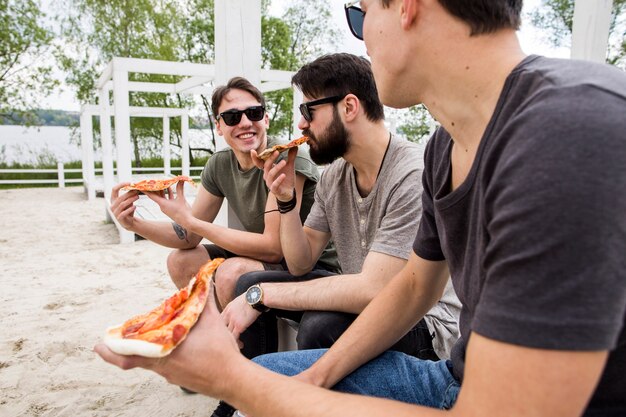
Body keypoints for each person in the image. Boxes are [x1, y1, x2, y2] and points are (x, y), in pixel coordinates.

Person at [96, 1, 626, 416]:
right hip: (458, 376)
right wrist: (314, 379)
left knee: (269, 376)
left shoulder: (569, 129)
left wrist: (231, 374)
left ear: (405, 6)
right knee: (269, 387)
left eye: (360, 13)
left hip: (472, 390)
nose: (363, 35)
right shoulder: (445, 147)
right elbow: (413, 288)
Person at [213, 52, 459, 417]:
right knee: (248, 278)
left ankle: (302, 402)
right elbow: (299, 262)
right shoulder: (334, 176)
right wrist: (286, 203)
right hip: (362, 297)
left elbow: (375, 290)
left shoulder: (412, 173)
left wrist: (261, 295)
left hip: (426, 326)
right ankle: (242, 398)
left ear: (348, 107)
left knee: (319, 323)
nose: (299, 124)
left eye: (308, 111)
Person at [109, 76, 338, 309]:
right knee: (181, 261)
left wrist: (189, 221)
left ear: (266, 119)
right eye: (232, 117)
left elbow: (272, 249)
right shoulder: (219, 165)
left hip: (311, 264)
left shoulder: (286, 158)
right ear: (218, 126)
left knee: (231, 272)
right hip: (269, 258)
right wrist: (133, 224)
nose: (245, 123)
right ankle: (218, 331)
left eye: (254, 113)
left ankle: (239, 344)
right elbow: (189, 236)